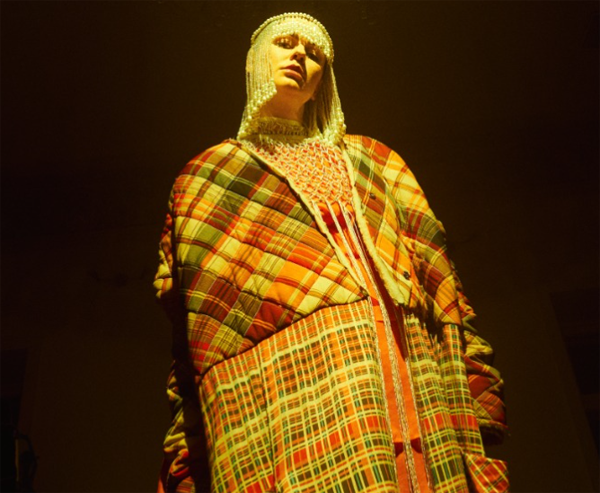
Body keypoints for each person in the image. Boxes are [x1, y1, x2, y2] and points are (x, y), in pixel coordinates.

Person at [154, 12, 508, 493]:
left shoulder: (376, 160)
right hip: (296, 383)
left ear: (325, 79)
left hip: (405, 357)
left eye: (315, 52)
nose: (300, 55)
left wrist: (470, 377)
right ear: (254, 62)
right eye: (285, 43)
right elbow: (200, 331)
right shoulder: (208, 176)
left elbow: (439, 281)